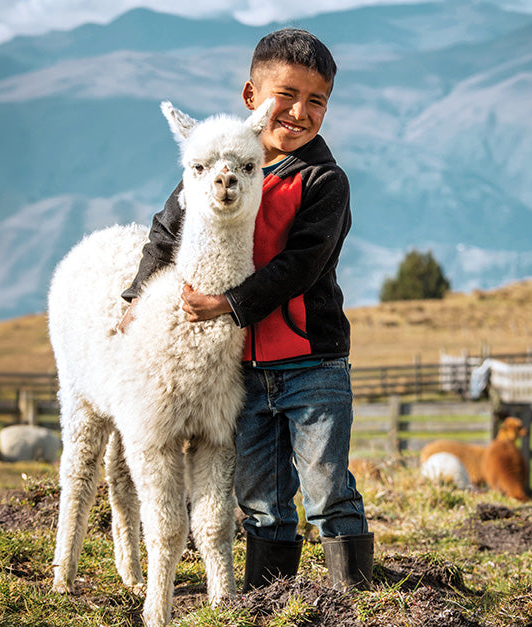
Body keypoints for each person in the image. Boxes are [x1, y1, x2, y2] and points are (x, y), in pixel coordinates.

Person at [120, 28, 372, 593]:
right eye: (287, 96)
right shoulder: (218, 165)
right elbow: (167, 229)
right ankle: (271, 598)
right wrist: (137, 293)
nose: (300, 113)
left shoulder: (323, 181)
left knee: (327, 484)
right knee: (258, 493)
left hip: (313, 360)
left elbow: (301, 268)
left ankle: (354, 599)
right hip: (245, 371)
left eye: (317, 102)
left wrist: (228, 304)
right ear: (252, 97)